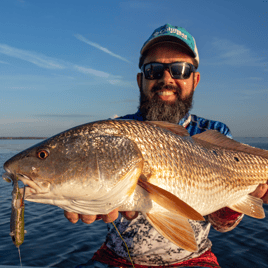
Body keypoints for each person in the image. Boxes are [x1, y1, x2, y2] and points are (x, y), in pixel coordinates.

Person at [65, 24, 268, 268]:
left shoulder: (214, 133)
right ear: (141, 79)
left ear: (196, 79)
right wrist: (79, 196)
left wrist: (243, 199)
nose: (166, 79)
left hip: (193, 258)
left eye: (180, 70)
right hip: (116, 258)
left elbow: (222, 225)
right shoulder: (115, 132)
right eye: (154, 70)